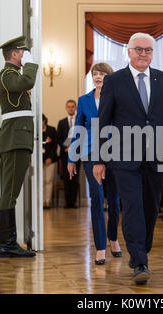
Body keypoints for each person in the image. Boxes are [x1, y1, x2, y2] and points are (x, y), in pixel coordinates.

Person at [93, 33, 163, 284]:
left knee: (151, 207)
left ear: (153, 53)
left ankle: (140, 252)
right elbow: (103, 121)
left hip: (158, 154)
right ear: (129, 52)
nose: (143, 54)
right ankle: (140, 261)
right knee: (133, 205)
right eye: (138, 49)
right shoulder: (114, 81)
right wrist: (99, 160)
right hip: (124, 156)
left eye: (148, 50)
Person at [67, 63, 122, 265]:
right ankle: (100, 247)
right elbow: (78, 129)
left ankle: (113, 239)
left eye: (102, 74)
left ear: (110, 77)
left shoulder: (117, 98)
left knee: (115, 201)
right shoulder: (84, 100)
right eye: (95, 74)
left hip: (114, 154)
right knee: (97, 198)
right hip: (90, 154)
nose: (98, 77)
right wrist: (72, 158)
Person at [0, 35, 38, 258]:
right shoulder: (7, 75)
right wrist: (30, 64)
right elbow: (27, 82)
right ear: (14, 54)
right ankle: (6, 244)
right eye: (23, 52)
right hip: (14, 140)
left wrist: (27, 63)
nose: (25, 55)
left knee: (8, 193)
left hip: (16, 139)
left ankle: (6, 243)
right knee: (9, 193)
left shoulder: (11, 75)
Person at [57, 100, 80, 208]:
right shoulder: (61, 123)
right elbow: (59, 138)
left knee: (75, 179)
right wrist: (66, 148)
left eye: (72, 106)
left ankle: (74, 202)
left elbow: (82, 136)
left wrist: (75, 148)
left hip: (77, 155)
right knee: (67, 179)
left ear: (75, 108)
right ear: (66, 108)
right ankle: (68, 202)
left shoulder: (80, 121)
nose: (71, 108)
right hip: (65, 155)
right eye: (69, 107)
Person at [42, 114, 58, 209]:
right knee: (42, 181)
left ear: (45, 120)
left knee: (48, 180)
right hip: (40, 161)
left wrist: (50, 158)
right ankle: (42, 201)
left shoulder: (51, 130)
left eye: (42, 120)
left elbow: (55, 145)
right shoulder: (36, 131)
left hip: (50, 160)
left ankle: (48, 201)